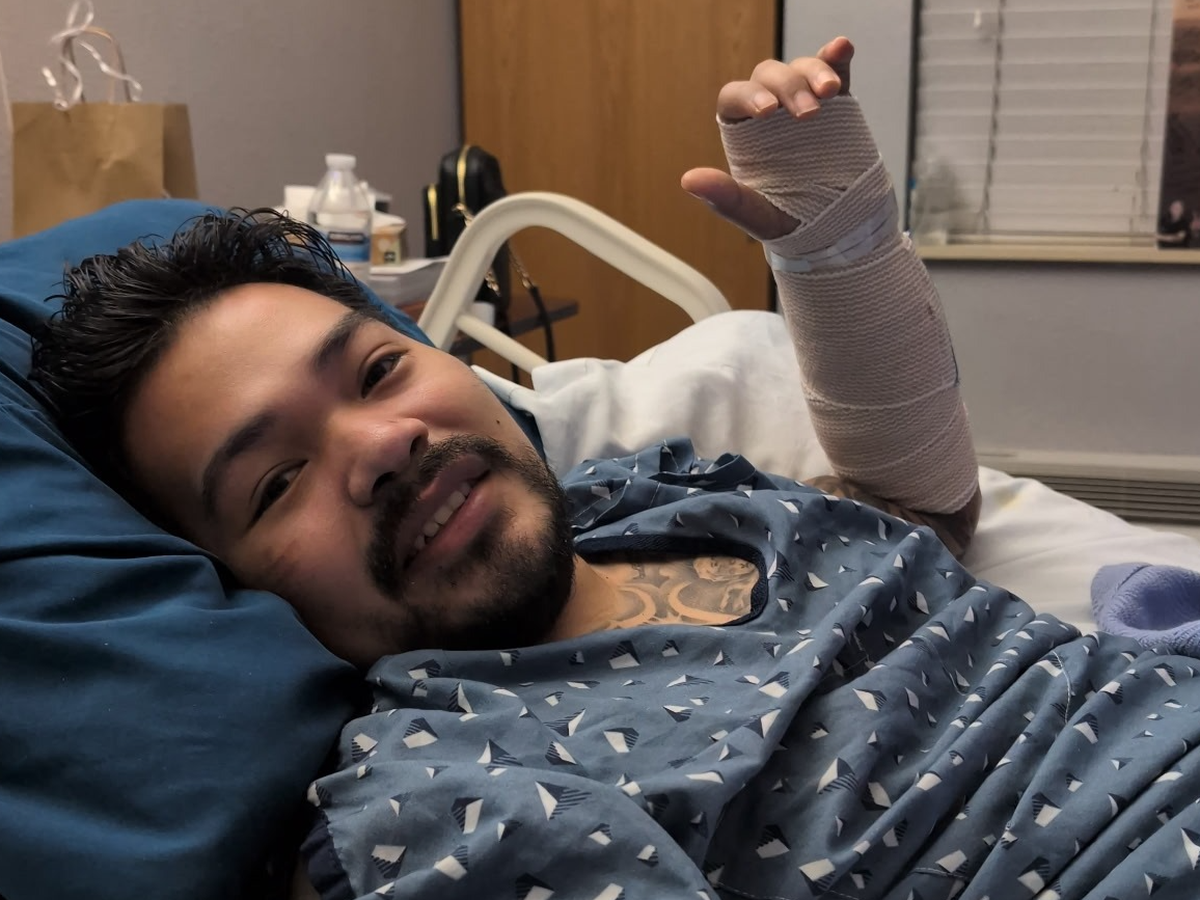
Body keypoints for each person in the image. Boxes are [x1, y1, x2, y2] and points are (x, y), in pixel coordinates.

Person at [30, 39, 1200, 900]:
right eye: (275, 484)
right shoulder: (440, 803)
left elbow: (924, 516)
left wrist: (840, 249)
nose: (382, 448)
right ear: (227, 584)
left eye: (378, 371)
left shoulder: (667, 494)